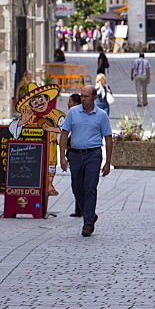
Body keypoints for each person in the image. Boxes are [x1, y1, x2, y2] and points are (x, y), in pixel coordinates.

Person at [59, 84, 113, 236]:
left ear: (94, 98)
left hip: (93, 155)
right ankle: (90, 213)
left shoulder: (101, 115)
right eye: (81, 96)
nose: (83, 99)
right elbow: (64, 134)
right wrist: (62, 157)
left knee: (90, 188)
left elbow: (108, 138)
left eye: (86, 96)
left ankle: (87, 224)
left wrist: (108, 162)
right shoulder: (73, 112)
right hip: (75, 154)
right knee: (77, 189)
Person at [65, 93, 82, 217]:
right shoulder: (72, 114)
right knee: (77, 183)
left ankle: (82, 208)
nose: (68, 104)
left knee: (81, 183)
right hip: (73, 154)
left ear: (76, 103)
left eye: (70, 101)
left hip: (79, 153)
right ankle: (81, 208)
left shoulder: (77, 115)